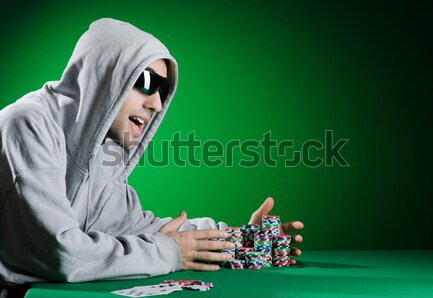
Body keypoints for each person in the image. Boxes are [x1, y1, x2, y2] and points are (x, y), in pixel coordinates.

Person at [0, 18, 303, 297]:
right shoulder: (27, 124)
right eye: (147, 82)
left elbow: (136, 230)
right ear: (106, 73)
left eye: (165, 89)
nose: (157, 103)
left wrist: (240, 238)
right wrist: (169, 253)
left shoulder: (106, 152)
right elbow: (60, 253)